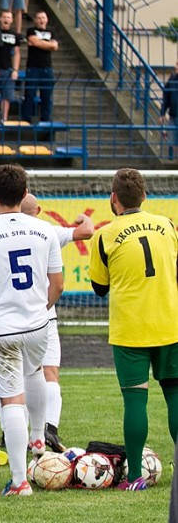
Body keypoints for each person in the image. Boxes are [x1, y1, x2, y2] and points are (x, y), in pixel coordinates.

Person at [0, 193, 94, 469]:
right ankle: (42, 433)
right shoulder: (44, 229)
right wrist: (86, 218)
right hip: (38, 318)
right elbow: (61, 278)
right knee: (42, 372)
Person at [0, 164, 64, 497]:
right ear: (24, 194)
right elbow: (58, 284)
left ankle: (19, 481)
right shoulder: (45, 230)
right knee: (35, 374)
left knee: (11, 400)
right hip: (37, 324)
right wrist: (39, 310)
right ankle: (38, 438)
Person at [89, 168, 178, 491]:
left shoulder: (105, 235)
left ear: (113, 199)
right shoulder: (168, 226)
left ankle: (136, 476)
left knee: (136, 401)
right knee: (174, 394)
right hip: (170, 322)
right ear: (145, 196)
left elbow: (99, 287)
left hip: (131, 329)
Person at [21, 10, 58, 123]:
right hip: (33, 67)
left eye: (43, 18)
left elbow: (55, 47)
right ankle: (26, 119)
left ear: (46, 20)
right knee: (29, 94)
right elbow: (35, 42)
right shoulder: (31, 30)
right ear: (36, 20)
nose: (41, 20)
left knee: (46, 96)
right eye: (39, 18)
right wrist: (48, 45)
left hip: (47, 68)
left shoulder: (51, 32)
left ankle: (45, 120)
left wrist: (40, 43)